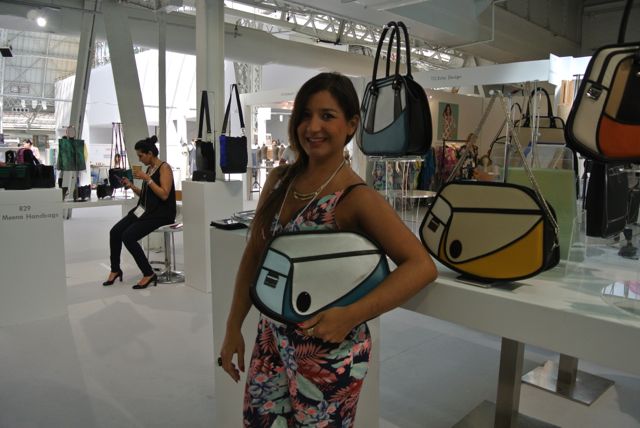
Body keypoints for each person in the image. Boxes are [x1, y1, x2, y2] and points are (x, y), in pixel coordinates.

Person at [219, 72, 437, 427]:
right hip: (271, 339)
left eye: (327, 116)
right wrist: (233, 327)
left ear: (351, 125)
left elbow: (421, 266)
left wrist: (351, 315)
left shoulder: (356, 198)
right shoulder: (279, 181)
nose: (313, 127)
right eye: (305, 115)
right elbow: (254, 256)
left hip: (329, 352)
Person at [103, 135, 177, 289]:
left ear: (150, 153)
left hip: (161, 214)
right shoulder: (150, 169)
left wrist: (147, 179)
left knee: (128, 236)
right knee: (115, 232)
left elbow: (164, 194)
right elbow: (146, 195)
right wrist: (132, 186)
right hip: (144, 210)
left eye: (141, 155)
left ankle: (148, 273)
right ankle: (115, 270)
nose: (139, 159)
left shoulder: (164, 168)